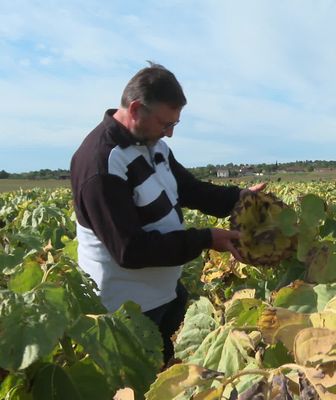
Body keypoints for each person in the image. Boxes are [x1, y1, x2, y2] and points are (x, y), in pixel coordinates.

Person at [70, 62, 264, 365]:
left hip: (165, 294)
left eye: (174, 124)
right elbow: (129, 250)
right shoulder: (100, 163)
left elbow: (189, 189)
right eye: (165, 123)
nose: (170, 133)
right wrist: (205, 239)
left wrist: (240, 199)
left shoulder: (153, 146)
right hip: (127, 311)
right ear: (135, 109)